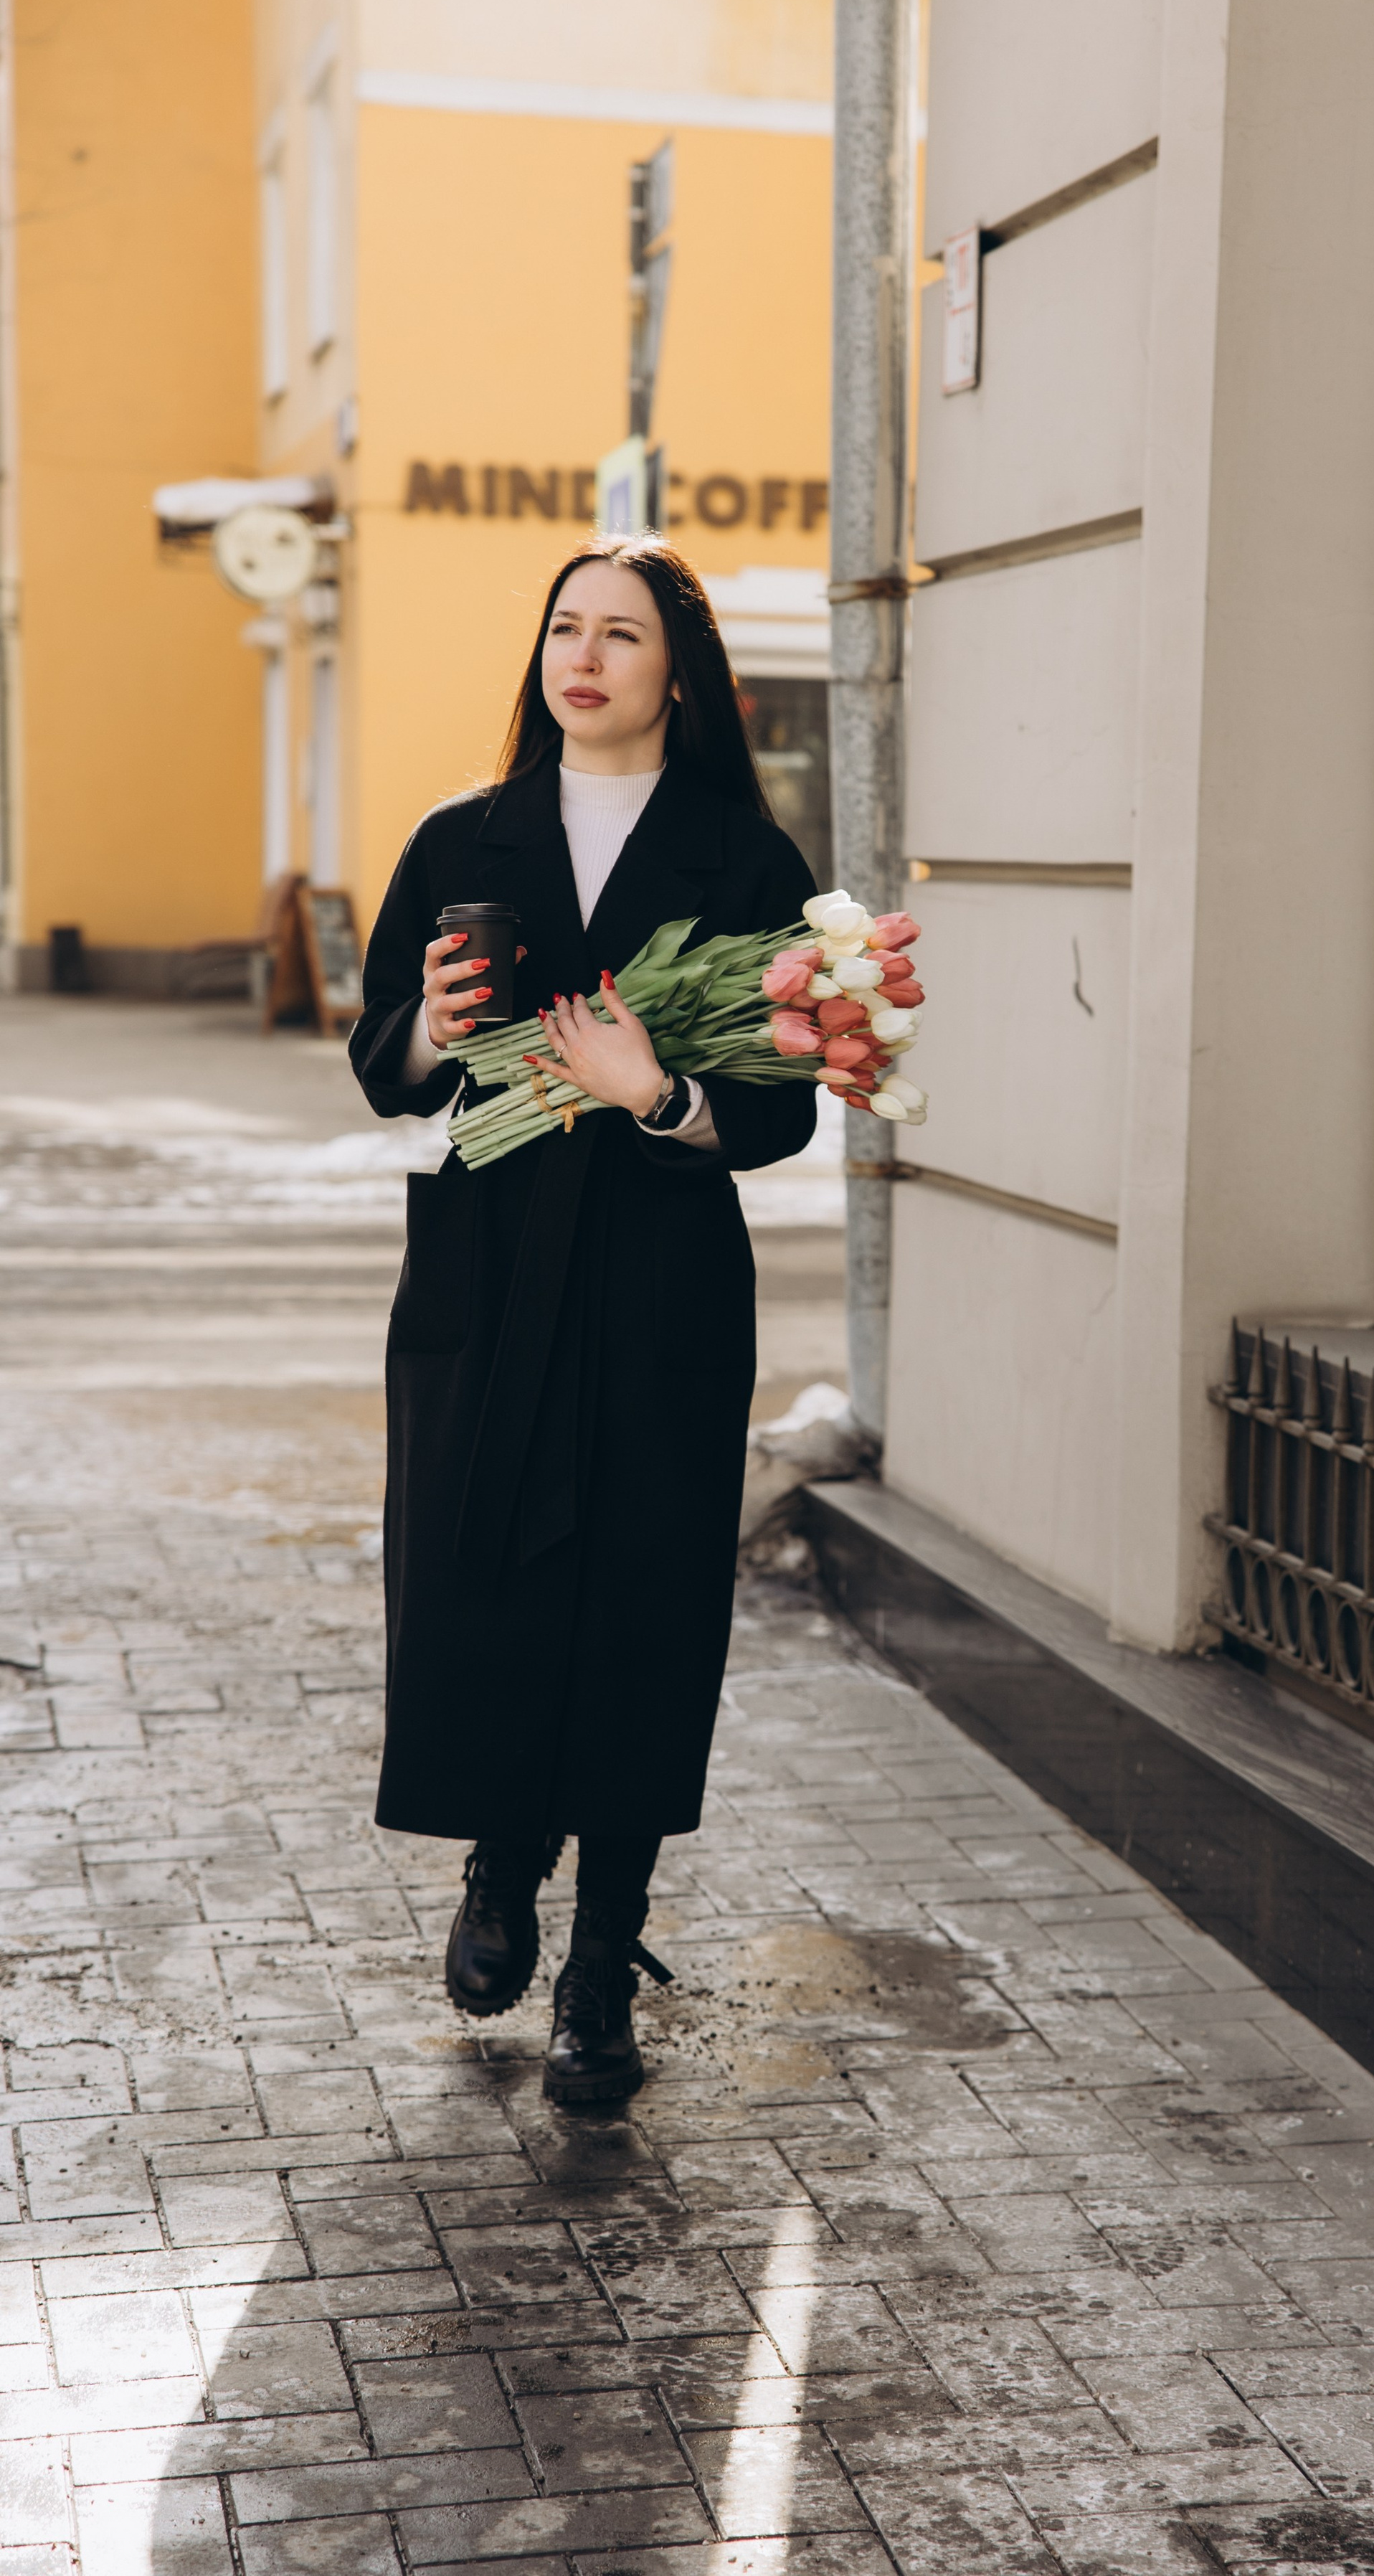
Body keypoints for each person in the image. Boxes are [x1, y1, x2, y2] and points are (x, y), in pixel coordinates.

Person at [349, 535, 816, 2103]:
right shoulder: (461, 834)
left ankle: (603, 1961)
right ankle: (500, 1862)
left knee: (640, 1602)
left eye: (620, 632)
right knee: (480, 1570)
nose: (585, 655)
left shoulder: (744, 859)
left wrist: (660, 1093)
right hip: (488, 1266)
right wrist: (433, 1022)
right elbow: (381, 1064)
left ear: (678, 669)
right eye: (564, 628)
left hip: (664, 1275)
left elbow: (779, 1112)